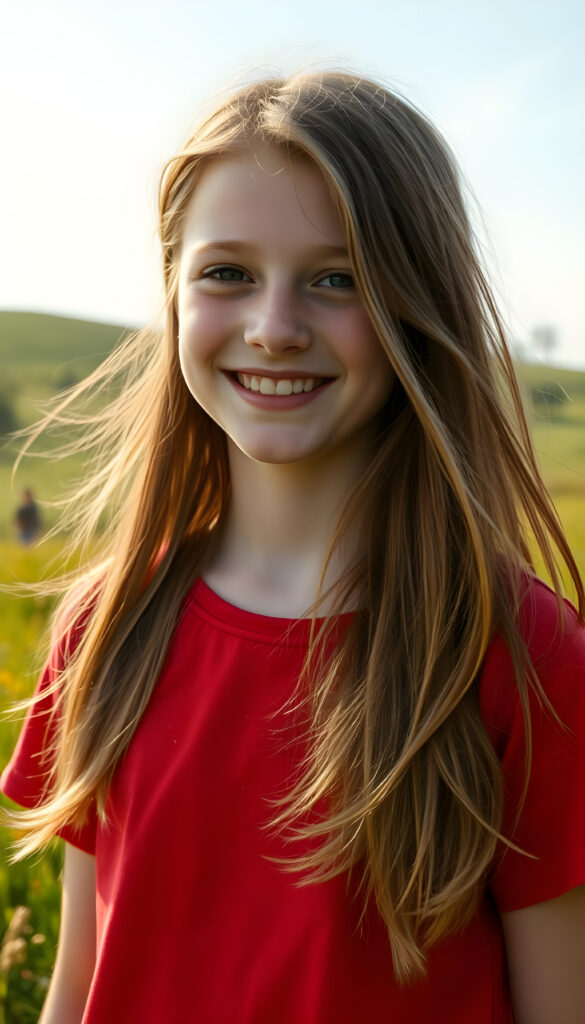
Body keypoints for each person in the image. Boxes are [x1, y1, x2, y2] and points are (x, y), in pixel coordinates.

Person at [1, 71, 584, 1023]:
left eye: (337, 278)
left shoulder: (521, 656)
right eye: (227, 273)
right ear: (173, 293)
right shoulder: (105, 627)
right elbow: (79, 987)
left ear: (418, 304)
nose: (274, 329)